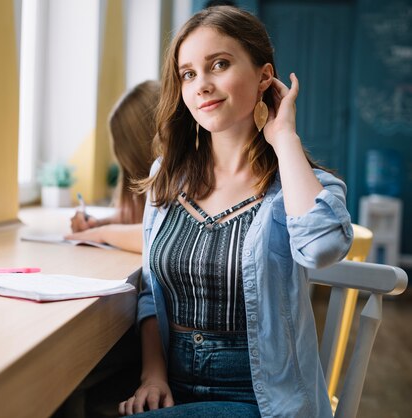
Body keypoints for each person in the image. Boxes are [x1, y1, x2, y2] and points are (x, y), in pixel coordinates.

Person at [119, 6, 353, 417]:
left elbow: (321, 248)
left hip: (262, 398)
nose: (201, 85)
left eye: (219, 65)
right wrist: (152, 375)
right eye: (188, 74)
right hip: (172, 385)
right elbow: (150, 295)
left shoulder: (297, 184)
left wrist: (284, 138)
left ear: (265, 76)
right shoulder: (166, 176)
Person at [66, 80, 161, 253]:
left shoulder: (185, 176)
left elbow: (161, 235)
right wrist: (99, 224)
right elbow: (145, 219)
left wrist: (102, 233)